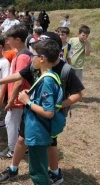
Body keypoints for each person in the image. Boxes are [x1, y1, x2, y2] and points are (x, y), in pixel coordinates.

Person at [0, 32, 84, 184]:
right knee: (22, 139)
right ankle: (13, 169)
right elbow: (19, 75)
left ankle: (55, 173)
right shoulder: (37, 65)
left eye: (35, 53)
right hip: (32, 115)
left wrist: (57, 106)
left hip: (46, 116)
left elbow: (78, 94)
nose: (32, 57)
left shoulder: (65, 70)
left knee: (50, 144)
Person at [18, 39, 64, 184]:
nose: (32, 59)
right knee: (38, 167)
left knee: (37, 171)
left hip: (38, 131)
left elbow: (48, 111)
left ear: (42, 58)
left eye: (34, 55)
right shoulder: (49, 76)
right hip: (38, 129)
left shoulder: (47, 81)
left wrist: (27, 101)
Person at [0, 25, 32, 160]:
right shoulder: (21, 53)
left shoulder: (22, 57)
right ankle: (22, 148)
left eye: (9, 39)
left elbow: (18, 80)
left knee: (10, 121)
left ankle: (12, 150)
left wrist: (11, 100)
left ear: (17, 40)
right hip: (18, 97)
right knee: (16, 123)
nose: (7, 42)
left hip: (18, 98)